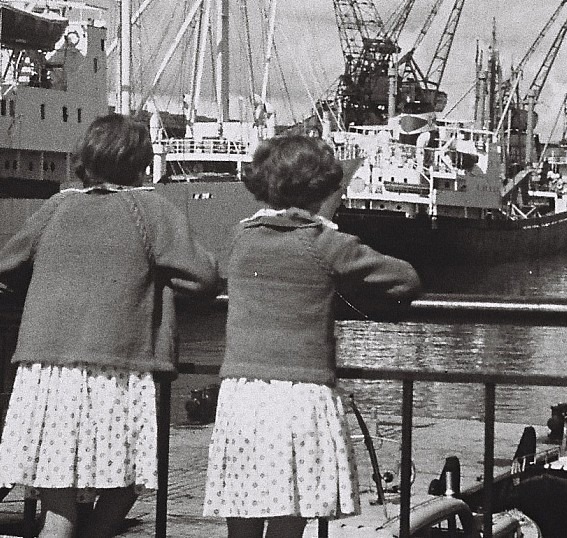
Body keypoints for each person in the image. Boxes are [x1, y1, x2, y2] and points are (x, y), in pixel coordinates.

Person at [0, 113, 219, 538]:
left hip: (46, 372)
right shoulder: (150, 208)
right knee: (129, 478)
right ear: (142, 164)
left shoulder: (57, 206)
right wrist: (157, 281)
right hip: (116, 368)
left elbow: (7, 265)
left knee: (57, 505)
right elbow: (205, 277)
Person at [203, 134, 421, 538]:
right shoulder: (324, 243)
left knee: (243, 520)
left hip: (242, 395)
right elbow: (405, 279)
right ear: (322, 189)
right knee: (289, 517)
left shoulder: (242, 238)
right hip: (298, 396)